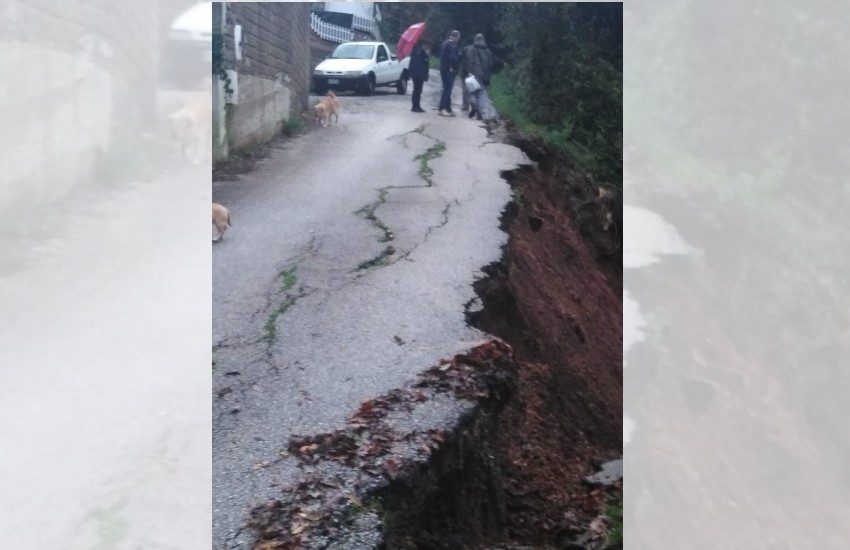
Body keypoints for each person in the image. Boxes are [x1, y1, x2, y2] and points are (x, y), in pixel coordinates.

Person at [461, 33, 495, 120]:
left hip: (472, 74)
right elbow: (491, 64)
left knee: (471, 92)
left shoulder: (470, 49)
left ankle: (474, 105)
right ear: (483, 40)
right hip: (483, 75)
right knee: (481, 93)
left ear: (475, 39)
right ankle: (479, 110)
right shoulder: (488, 51)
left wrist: (467, 73)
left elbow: (468, 61)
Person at [438, 30, 461, 117]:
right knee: (447, 90)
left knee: (446, 89)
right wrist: (454, 66)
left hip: (444, 69)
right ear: (455, 37)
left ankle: (448, 109)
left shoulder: (445, 43)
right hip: (449, 70)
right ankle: (441, 109)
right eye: (458, 37)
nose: (458, 39)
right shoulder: (451, 45)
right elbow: (453, 58)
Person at [408, 40, 430, 113]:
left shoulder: (421, 52)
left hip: (420, 74)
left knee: (419, 90)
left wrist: (427, 55)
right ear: (422, 45)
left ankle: (417, 105)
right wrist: (426, 55)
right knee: (416, 90)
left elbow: (426, 62)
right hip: (417, 74)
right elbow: (420, 62)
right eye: (425, 46)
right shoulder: (417, 51)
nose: (426, 47)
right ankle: (414, 106)